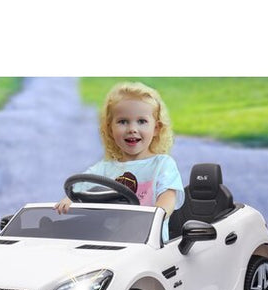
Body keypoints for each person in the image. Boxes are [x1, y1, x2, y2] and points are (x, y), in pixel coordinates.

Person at [54, 81, 184, 242]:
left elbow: (168, 199)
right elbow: (78, 189)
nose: (132, 129)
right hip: (110, 241)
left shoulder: (162, 164)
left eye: (141, 121)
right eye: (123, 122)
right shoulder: (103, 169)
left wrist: (153, 217)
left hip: (148, 243)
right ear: (110, 129)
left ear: (156, 128)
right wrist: (70, 200)